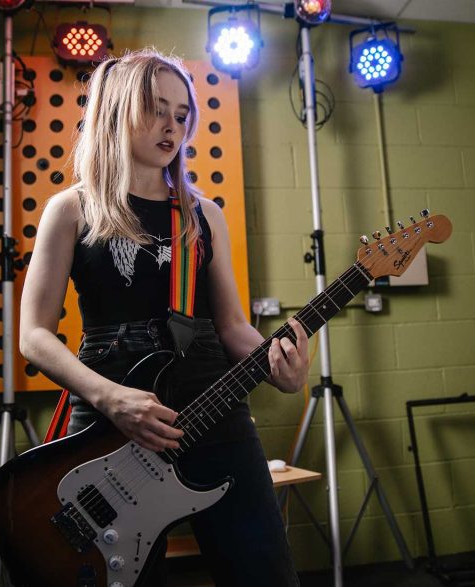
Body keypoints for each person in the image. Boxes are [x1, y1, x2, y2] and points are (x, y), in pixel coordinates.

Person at [18, 47, 307, 586]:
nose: (172, 125)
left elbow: (232, 328)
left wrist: (277, 364)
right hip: (110, 416)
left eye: (181, 114)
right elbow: (33, 336)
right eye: (156, 108)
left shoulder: (203, 213)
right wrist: (110, 398)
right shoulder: (71, 209)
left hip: (214, 407)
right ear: (115, 111)